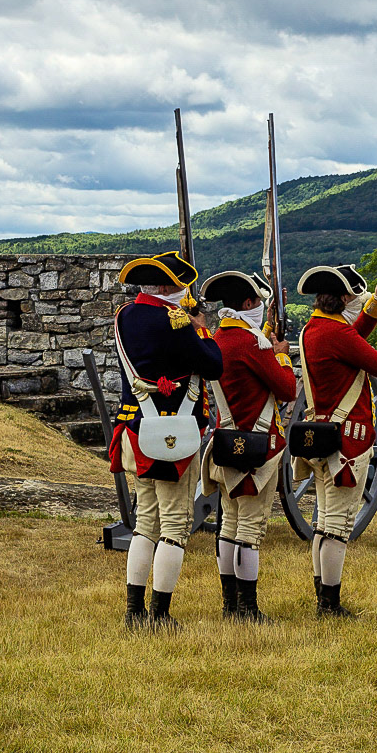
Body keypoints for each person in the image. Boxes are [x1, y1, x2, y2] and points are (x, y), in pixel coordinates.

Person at [109, 251, 223, 629]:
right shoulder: (174, 321)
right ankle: (159, 614)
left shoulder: (124, 315)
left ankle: (133, 611)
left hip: (135, 430)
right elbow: (213, 365)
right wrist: (201, 328)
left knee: (146, 523)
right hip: (173, 434)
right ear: (164, 287)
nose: (184, 292)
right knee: (174, 526)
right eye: (179, 285)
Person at [295, 265, 377, 617]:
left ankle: (323, 597)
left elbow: (352, 337)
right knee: (338, 526)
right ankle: (329, 604)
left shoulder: (316, 328)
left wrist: (375, 302)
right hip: (347, 441)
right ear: (341, 298)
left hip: (324, 435)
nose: (356, 302)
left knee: (325, 523)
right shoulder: (335, 333)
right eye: (353, 297)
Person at [200, 270, 297, 622]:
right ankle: (248, 608)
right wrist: (282, 354)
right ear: (247, 304)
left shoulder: (220, 337)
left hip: (226, 442)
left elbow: (254, 351)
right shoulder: (250, 343)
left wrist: (269, 332)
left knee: (230, 525)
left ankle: (230, 604)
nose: (259, 309)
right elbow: (287, 389)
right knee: (250, 529)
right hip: (258, 447)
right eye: (258, 303)